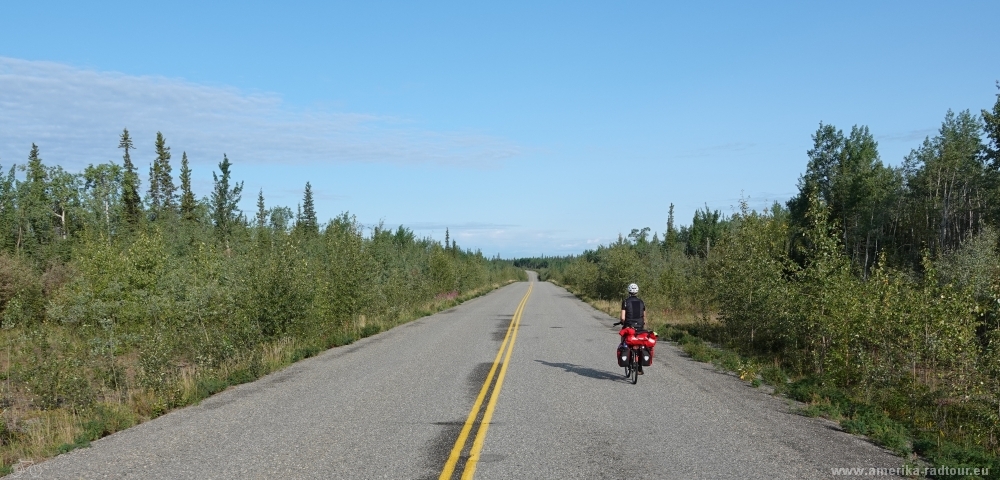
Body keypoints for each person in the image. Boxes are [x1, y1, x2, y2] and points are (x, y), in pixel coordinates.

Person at [615, 283, 647, 374]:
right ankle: (640, 367)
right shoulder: (641, 302)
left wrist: (622, 321)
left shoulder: (625, 302)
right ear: (637, 292)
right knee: (640, 343)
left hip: (629, 325)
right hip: (640, 326)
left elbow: (623, 317)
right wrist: (642, 323)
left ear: (628, 291)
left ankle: (625, 351)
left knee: (624, 339)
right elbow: (644, 316)